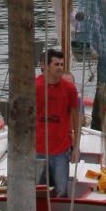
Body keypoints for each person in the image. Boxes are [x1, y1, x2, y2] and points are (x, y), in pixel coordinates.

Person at [35, 48, 81, 197]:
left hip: (61, 149)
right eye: (57, 64)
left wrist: (76, 147)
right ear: (46, 66)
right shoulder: (34, 86)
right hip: (38, 148)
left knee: (61, 191)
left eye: (62, 64)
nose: (61, 68)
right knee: (37, 190)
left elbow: (76, 118)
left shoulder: (70, 89)